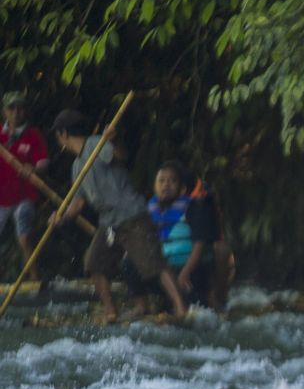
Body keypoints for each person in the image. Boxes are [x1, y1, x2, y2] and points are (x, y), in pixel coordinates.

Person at [49, 109, 186, 321]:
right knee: (94, 264)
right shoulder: (77, 167)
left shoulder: (96, 143)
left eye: (58, 135)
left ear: (63, 134)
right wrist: (62, 217)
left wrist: (114, 139)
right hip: (109, 223)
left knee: (153, 263)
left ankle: (181, 308)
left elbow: (121, 155)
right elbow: (78, 203)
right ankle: (112, 311)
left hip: (131, 215)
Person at [128, 161, 217, 313]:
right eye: (161, 181)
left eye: (172, 181)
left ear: (182, 189)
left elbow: (199, 245)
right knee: (129, 262)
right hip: (161, 269)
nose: (166, 185)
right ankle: (142, 305)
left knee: (195, 307)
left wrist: (185, 274)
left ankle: (206, 301)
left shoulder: (194, 208)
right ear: (155, 187)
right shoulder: (148, 209)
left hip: (189, 270)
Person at [0, 92, 49, 279]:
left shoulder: (33, 135)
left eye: (20, 108)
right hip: (1, 197)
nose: (16, 112)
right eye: (12, 108)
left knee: (25, 237)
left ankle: (34, 278)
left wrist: (34, 168)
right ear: (4, 111)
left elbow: (44, 161)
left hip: (24, 195)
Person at [189, 176, 235, 312]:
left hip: (207, 258)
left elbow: (218, 240)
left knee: (222, 250)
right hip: (183, 257)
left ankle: (217, 297)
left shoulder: (211, 210)